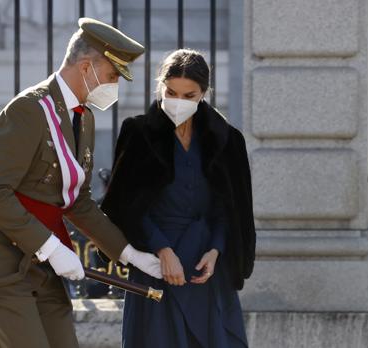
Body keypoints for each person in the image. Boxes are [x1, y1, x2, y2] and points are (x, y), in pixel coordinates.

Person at [0, 17, 162, 348]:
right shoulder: (28, 110)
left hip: (40, 263)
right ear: (85, 67)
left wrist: (129, 254)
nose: (113, 87)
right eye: (110, 76)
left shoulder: (84, 117)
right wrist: (51, 248)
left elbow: (77, 200)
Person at [101, 49, 256, 348]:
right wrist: (162, 249)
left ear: (204, 94)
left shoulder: (226, 138)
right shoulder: (139, 133)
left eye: (189, 95)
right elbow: (126, 204)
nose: (178, 102)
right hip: (156, 265)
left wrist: (216, 250)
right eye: (171, 92)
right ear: (161, 85)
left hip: (206, 269)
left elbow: (230, 207)